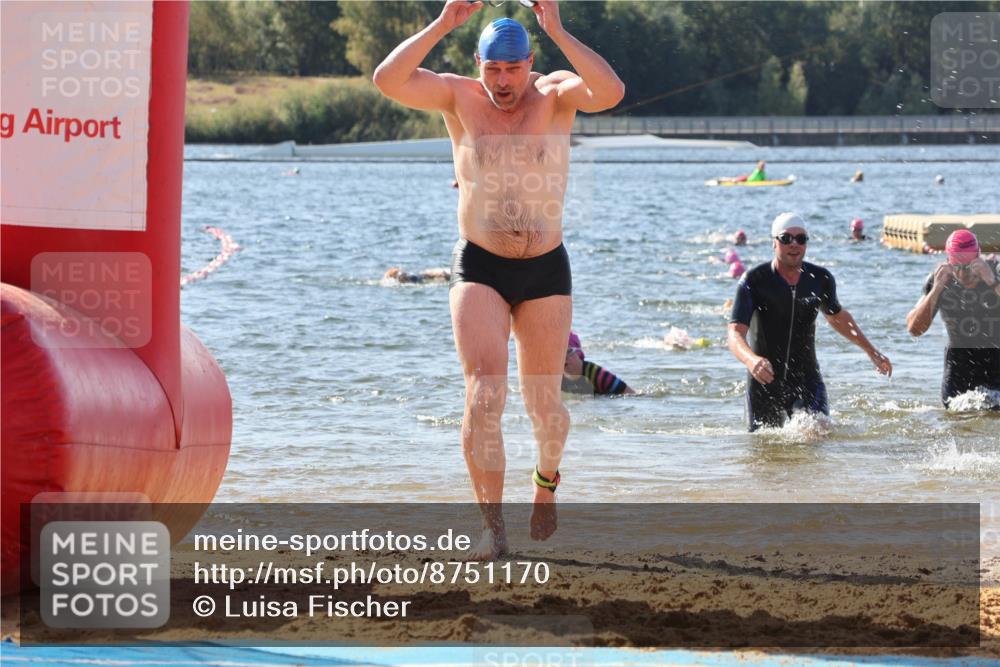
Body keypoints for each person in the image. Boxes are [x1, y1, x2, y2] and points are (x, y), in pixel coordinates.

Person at [373, 0, 624, 558]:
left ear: (530, 64)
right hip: (480, 265)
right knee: (484, 395)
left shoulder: (556, 94)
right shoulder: (457, 96)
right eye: (493, 70)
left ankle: (545, 484)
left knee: (545, 405)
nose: (503, 82)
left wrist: (559, 29)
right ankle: (493, 528)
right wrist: (442, 24)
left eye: (513, 70)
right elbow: (386, 80)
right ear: (479, 64)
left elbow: (610, 92)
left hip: (545, 266)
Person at [727, 212, 892, 431]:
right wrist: (751, 360)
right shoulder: (755, 281)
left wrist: (871, 351)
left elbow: (838, 317)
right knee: (763, 454)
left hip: (807, 380)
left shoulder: (820, 279)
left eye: (801, 238)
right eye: (786, 238)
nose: (793, 244)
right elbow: (735, 333)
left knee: (817, 433)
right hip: (764, 383)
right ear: (773, 242)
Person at [906, 230, 1000, 409]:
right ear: (949, 261)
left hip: (997, 367)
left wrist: (992, 282)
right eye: (957, 267)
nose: (963, 274)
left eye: (969, 267)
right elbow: (914, 328)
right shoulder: (940, 278)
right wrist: (936, 290)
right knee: (957, 427)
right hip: (958, 373)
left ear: (978, 257)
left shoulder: (996, 271)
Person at [561, 332, 634, 396]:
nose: (564, 358)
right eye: (558, 354)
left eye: (568, 351)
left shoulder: (596, 374)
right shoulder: (556, 376)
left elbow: (630, 394)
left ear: (578, 353)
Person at [383, 267, 451, 284]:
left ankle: (445, 274)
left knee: (434, 275)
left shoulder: (401, 276)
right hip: (418, 276)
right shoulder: (400, 276)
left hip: (419, 277)